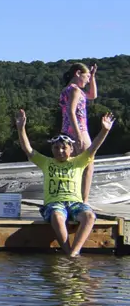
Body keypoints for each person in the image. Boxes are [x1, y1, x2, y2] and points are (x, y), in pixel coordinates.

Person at [16, 108, 116, 257]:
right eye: (56, 148)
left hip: (75, 203)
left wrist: (104, 130)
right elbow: (28, 149)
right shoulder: (46, 162)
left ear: (71, 149)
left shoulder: (78, 161)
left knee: (89, 216)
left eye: (64, 148)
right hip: (54, 204)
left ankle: (74, 252)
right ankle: (68, 252)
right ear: (52, 149)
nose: (60, 151)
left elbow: (93, 147)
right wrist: (21, 128)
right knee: (57, 216)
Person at [60, 63, 100, 205]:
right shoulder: (75, 90)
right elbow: (71, 112)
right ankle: (84, 200)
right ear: (78, 73)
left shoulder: (67, 90)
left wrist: (93, 76)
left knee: (71, 166)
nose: (88, 80)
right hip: (79, 130)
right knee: (88, 165)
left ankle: (71, 197)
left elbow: (93, 95)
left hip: (66, 131)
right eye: (87, 76)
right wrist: (78, 135)